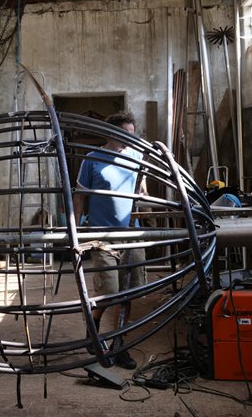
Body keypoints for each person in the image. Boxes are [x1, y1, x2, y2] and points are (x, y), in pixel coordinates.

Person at [72, 111, 146, 370]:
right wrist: (75, 229)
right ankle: (93, 328)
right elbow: (80, 196)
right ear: (110, 134)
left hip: (131, 235)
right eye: (125, 133)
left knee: (130, 293)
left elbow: (141, 191)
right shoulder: (92, 159)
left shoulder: (137, 157)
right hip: (102, 237)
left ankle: (119, 344)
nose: (130, 139)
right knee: (110, 292)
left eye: (132, 133)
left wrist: (144, 205)